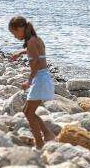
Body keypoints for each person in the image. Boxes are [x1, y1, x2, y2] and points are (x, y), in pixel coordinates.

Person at [8, 15, 56, 149]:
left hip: (40, 78)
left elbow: (36, 61)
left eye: (14, 33)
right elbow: (35, 53)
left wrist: (29, 81)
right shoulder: (35, 39)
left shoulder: (31, 42)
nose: (14, 36)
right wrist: (20, 53)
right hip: (42, 77)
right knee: (28, 111)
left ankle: (40, 144)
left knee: (28, 112)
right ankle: (48, 134)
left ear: (20, 29)